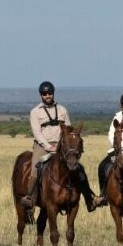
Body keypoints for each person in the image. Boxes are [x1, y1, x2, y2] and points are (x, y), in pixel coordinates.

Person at [20, 81, 99, 212]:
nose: (47, 96)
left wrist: (63, 145)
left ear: (53, 94)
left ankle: (90, 199)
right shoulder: (35, 112)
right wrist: (48, 146)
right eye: (44, 94)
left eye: (49, 93)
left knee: (78, 169)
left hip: (61, 146)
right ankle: (30, 199)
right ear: (41, 95)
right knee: (35, 169)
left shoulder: (62, 110)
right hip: (42, 146)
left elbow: (68, 130)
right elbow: (37, 133)